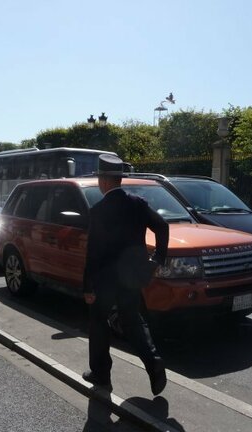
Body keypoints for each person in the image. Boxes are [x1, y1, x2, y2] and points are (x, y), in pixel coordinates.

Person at [82, 154, 169, 396]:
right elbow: (163, 226)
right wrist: (158, 259)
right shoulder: (138, 204)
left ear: (106, 181)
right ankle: (154, 362)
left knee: (99, 323)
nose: (99, 183)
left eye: (100, 178)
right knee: (132, 319)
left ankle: (101, 373)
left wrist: (87, 286)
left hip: (104, 280)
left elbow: (93, 252)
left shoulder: (98, 210)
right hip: (131, 276)